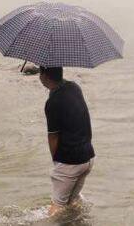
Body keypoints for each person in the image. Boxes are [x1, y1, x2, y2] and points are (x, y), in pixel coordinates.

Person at [39, 66, 95, 217]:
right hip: (87, 157)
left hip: (70, 162)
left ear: (43, 75)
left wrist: (56, 161)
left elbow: (53, 136)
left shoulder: (52, 103)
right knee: (73, 201)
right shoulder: (74, 87)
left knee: (56, 207)